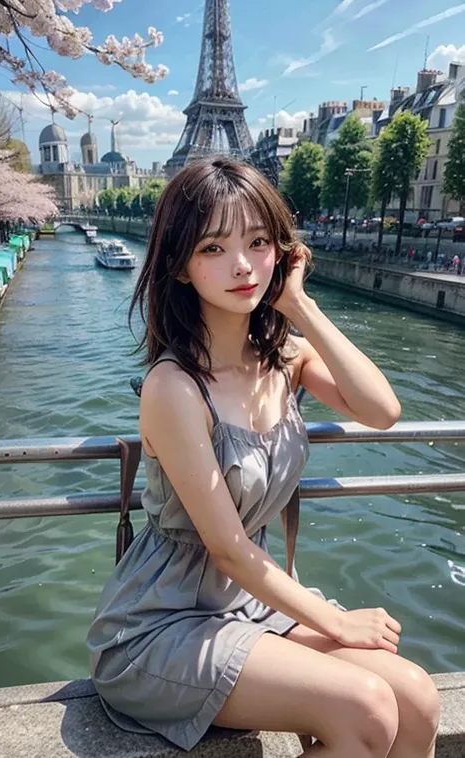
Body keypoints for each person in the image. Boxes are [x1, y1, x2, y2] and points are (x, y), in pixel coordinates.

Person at [87, 158, 440, 757]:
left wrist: (298, 306)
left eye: (257, 241)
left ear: (283, 250)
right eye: (213, 247)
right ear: (178, 265)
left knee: (417, 699)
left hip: (252, 605)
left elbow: (382, 410)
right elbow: (226, 548)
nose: (243, 265)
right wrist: (338, 622)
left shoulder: (287, 359)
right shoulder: (173, 387)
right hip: (160, 623)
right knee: (367, 706)